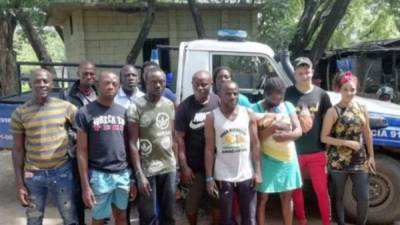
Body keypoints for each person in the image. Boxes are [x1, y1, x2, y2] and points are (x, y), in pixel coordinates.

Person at [11, 69, 78, 225]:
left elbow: (84, 130)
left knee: (70, 218)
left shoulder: (66, 108)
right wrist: (20, 184)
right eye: (37, 81)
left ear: (52, 83)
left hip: (62, 171)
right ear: (30, 84)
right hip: (33, 176)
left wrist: (74, 150)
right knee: (34, 219)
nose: (42, 85)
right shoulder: (20, 113)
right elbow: (18, 150)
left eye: (45, 81)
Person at [75, 71, 132, 225]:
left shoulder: (123, 112)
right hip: (99, 175)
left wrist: (131, 177)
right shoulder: (84, 113)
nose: (111, 86)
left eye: (114, 84)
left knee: (121, 216)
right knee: (99, 219)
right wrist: (85, 186)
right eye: (106, 83)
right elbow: (81, 150)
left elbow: (129, 145)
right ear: (98, 85)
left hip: (122, 174)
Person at [321, 71, 375, 225]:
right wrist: (346, 143)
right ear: (339, 89)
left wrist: (371, 156)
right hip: (338, 160)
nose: (349, 93)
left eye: (352, 89)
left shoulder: (362, 108)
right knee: (338, 195)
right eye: (345, 89)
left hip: (360, 159)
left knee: (364, 197)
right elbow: (324, 137)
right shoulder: (333, 111)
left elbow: (367, 133)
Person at [205, 81, 261, 225]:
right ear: (219, 95)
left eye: (235, 93)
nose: (232, 96)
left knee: (249, 218)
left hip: (246, 173)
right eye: (228, 93)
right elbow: (209, 149)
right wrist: (209, 178)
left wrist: (258, 171)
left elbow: (255, 143)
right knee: (227, 218)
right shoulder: (212, 117)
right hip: (224, 175)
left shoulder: (248, 113)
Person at [285, 57, 332, 225]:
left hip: (317, 152)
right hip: (293, 152)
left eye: (307, 72)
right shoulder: (287, 93)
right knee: (297, 189)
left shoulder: (322, 94)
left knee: (321, 190)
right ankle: (302, 220)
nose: (304, 76)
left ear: (312, 72)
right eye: (300, 73)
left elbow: (328, 122)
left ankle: (327, 221)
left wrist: (327, 149)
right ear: (295, 75)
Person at [127, 67, 176, 225]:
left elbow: (172, 136)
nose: (158, 85)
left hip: (169, 167)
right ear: (145, 83)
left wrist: (178, 167)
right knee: (148, 215)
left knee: (169, 214)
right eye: (153, 82)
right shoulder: (135, 106)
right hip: (147, 169)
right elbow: (132, 143)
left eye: (161, 82)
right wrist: (139, 174)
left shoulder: (169, 104)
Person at [251, 77, 303, 225]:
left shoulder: (288, 106)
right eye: (273, 95)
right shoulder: (256, 109)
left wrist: (289, 135)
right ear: (265, 93)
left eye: (280, 94)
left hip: (287, 159)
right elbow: (257, 138)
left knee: (287, 197)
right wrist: (274, 127)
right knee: (262, 198)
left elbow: (298, 130)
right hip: (266, 159)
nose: (277, 98)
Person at [175, 70, 220, 225]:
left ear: (212, 84)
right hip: (194, 167)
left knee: (217, 202)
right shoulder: (184, 107)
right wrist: (184, 166)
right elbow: (179, 140)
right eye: (197, 84)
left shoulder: (218, 102)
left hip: (216, 166)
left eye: (204, 84)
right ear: (192, 84)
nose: (200, 88)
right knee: (191, 206)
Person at [60, 60, 98, 225]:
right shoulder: (67, 96)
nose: (88, 76)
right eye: (85, 73)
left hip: (97, 152)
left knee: (99, 192)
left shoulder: (100, 92)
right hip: (76, 152)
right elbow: (63, 125)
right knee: (77, 193)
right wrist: (76, 141)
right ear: (78, 74)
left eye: (91, 73)